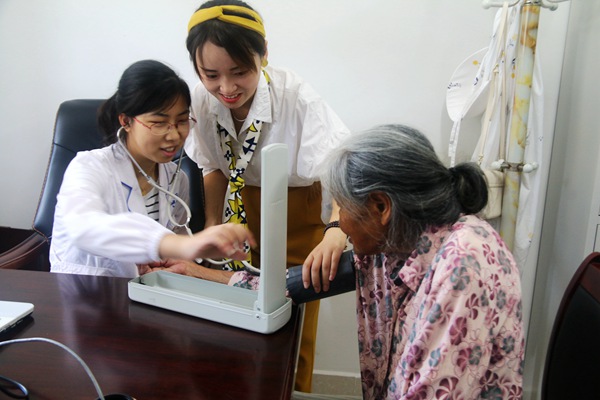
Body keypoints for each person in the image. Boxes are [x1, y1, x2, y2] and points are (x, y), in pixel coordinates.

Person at [231, 124, 525, 399]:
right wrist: (206, 275)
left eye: (342, 209)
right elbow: (294, 283)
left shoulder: (462, 267)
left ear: (381, 206)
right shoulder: (400, 240)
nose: (340, 225)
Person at [184, 1, 350, 392]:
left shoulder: (297, 98)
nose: (226, 88)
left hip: (298, 218)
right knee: (234, 322)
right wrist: (212, 223)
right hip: (238, 217)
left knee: (293, 331)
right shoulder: (200, 99)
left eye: (240, 72)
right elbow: (212, 166)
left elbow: (342, 170)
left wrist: (336, 231)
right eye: (211, 74)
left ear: (263, 55)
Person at [50, 59, 255, 278]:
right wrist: (181, 245)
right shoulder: (89, 167)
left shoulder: (177, 180)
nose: (174, 135)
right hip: (81, 290)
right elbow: (83, 227)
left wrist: (191, 253)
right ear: (126, 121)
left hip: (145, 292)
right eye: (159, 123)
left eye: (182, 121)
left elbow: (176, 236)